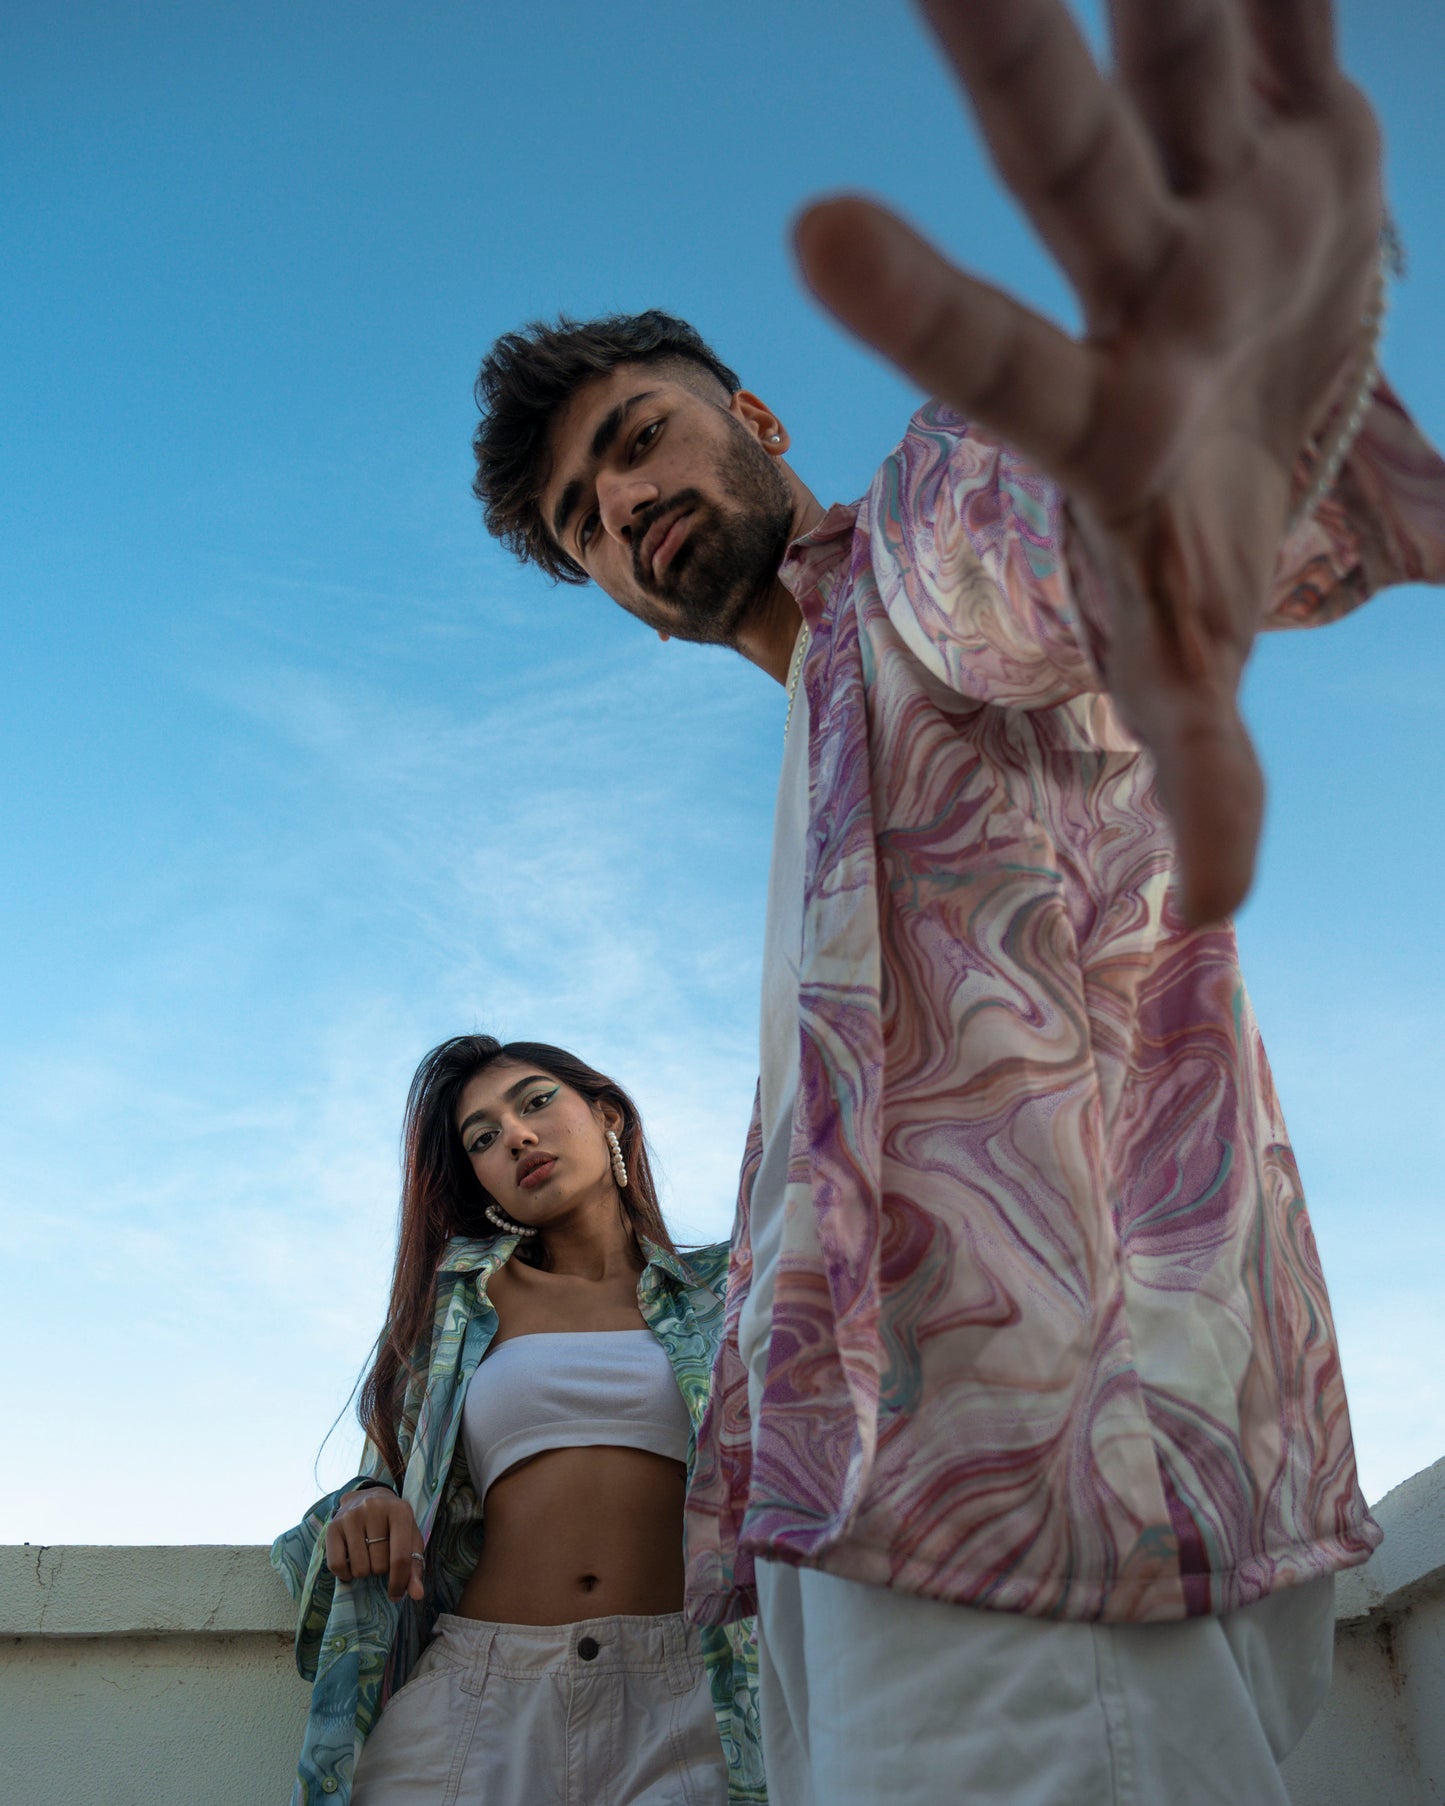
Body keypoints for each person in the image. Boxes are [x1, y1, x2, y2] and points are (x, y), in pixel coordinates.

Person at [468, 2, 1445, 1801]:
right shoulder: (811, 756)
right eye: (584, 522)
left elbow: (1072, 525)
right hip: (883, 1534)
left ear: (748, 417)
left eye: (635, 439)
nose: (623, 509)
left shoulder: (917, 556)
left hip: (1041, 1498)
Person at [272, 1035, 765, 1806]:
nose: (517, 1136)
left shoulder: (723, 1293)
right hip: (481, 1693)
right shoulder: (458, 1307)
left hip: (689, 1692)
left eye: (535, 1102)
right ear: (483, 1181)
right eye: (483, 1138)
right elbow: (395, 1473)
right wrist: (364, 1500)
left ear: (605, 1115)